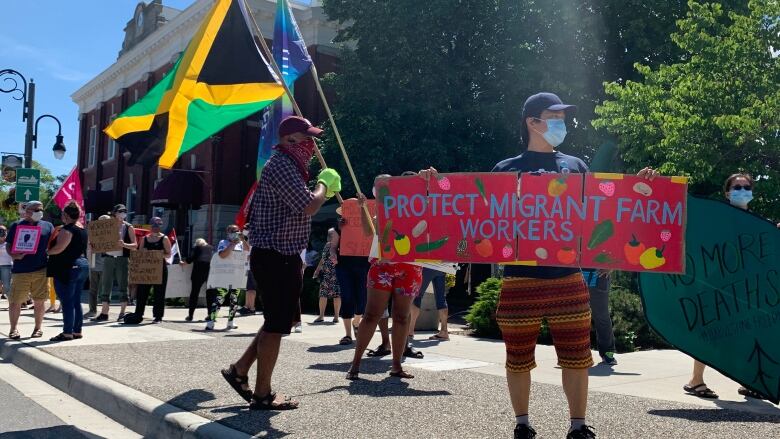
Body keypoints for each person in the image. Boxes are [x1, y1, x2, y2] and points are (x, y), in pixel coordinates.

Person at [492, 92, 660, 439]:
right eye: (554, 116)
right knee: (517, 356)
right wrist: (431, 189)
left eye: (562, 118)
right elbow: (482, 217)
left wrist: (640, 191)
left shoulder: (577, 165)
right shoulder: (505, 170)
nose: (561, 124)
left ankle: (578, 426)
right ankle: (522, 424)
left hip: (568, 277)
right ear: (532, 122)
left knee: (577, 355)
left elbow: (597, 215)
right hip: (519, 278)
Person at [221, 116, 339, 410]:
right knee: (276, 325)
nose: (311, 145)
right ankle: (262, 395)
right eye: (306, 138)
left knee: (276, 320)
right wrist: (323, 185)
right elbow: (309, 205)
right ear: (290, 140)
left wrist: (317, 184)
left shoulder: (288, 167)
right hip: (277, 256)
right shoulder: (283, 165)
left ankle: (239, 370)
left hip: (280, 255)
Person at [684, 173, 777, 401]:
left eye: (747, 187)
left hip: (746, 289)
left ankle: (749, 382)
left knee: (747, 332)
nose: (743, 190)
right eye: (737, 187)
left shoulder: (755, 220)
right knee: (711, 334)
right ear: (727, 192)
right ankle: (695, 381)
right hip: (718, 286)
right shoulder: (717, 217)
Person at [346, 171, 434, 381]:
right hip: (383, 265)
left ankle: (396, 365)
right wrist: (362, 208)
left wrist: (431, 177)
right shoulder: (388, 208)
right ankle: (355, 364)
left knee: (402, 316)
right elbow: (370, 232)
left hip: (411, 267)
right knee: (371, 315)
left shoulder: (426, 209)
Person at [5, 201, 54, 340]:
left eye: (41, 209)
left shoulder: (48, 226)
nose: (39, 211)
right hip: (21, 270)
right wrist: (14, 255)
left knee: (40, 301)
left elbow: (53, 243)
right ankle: (13, 329)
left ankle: (38, 329)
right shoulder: (16, 226)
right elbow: (8, 245)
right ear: (27, 211)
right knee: (15, 301)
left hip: (41, 270)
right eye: (36, 209)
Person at [47, 201, 89, 342]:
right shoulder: (82, 229)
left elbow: (60, 248)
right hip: (82, 265)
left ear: (65, 215)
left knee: (67, 301)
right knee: (76, 300)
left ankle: (67, 333)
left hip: (68, 267)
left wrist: (47, 252)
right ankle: (77, 331)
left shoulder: (67, 230)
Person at [92, 205, 136, 322]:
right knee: (105, 285)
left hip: (122, 258)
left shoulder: (128, 227)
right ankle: (104, 313)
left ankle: (122, 312)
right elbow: (96, 239)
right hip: (108, 258)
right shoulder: (107, 226)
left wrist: (124, 245)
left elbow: (135, 245)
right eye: (121, 211)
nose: (123, 214)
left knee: (123, 284)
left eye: (125, 211)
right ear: (114, 213)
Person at [129, 217, 171, 323]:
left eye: (157, 226)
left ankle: (158, 316)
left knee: (159, 293)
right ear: (150, 226)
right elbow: (139, 252)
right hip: (146, 269)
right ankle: (139, 314)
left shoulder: (164, 239)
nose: (155, 228)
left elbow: (169, 254)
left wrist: (158, 254)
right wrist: (144, 251)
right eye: (153, 226)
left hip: (160, 268)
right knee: (142, 292)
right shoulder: (145, 238)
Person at [205, 225, 246, 331]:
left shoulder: (241, 244)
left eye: (237, 231)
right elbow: (223, 255)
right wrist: (233, 244)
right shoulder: (223, 243)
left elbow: (247, 253)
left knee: (234, 300)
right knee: (219, 298)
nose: (235, 233)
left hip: (237, 276)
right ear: (227, 232)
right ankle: (211, 321)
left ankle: (231, 322)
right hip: (224, 275)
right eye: (232, 231)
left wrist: (243, 240)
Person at [583, 269, 617, 365]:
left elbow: (620, 254)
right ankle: (570, 354)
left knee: (602, 317)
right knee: (572, 316)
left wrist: (612, 266)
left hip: (599, 278)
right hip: (574, 278)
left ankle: (608, 353)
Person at [409, 268, 450, 341]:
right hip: (441, 266)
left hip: (428, 264)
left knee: (417, 296)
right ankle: (444, 331)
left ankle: (410, 331)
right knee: (441, 299)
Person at [312, 228, 341, 323]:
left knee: (337, 295)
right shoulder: (327, 245)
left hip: (336, 274)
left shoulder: (339, 246)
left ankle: (336, 317)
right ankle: (321, 316)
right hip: (325, 274)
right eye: (329, 234)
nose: (329, 236)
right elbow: (323, 258)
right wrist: (317, 270)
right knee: (322, 294)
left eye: (331, 234)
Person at [181, 238, 213, 321]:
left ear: (197, 244)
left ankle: (190, 315)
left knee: (194, 294)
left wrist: (183, 262)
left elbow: (191, 258)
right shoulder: (211, 248)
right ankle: (211, 315)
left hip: (198, 272)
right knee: (210, 294)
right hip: (210, 272)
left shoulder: (197, 248)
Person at [85, 226, 106, 319]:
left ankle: (104, 312)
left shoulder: (112, 236)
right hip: (93, 266)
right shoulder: (92, 236)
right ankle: (92, 310)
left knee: (105, 291)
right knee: (93, 290)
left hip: (105, 267)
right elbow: (88, 249)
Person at [237, 225, 259, 316]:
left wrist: (243, 239)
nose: (244, 231)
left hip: (252, 267)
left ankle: (252, 307)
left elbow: (248, 249)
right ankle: (247, 306)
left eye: (246, 229)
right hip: (247, 267)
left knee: (251, 288)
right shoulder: (250, 239)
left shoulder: (255, 239)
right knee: (248, 288)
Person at [0, 224, 12, 300]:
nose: (2, 232)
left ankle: (13, 302)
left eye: (3, 231)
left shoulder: (9, 242)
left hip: (6, 266)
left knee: (7, 286)